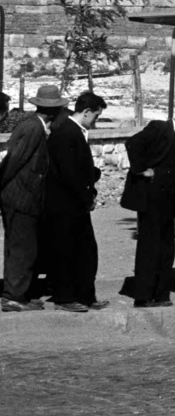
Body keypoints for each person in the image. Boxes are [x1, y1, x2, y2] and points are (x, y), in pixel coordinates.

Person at [0, 84, 62, 311]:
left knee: (22, 246)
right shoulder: (33, 128)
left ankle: (19, 293)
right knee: (22, 248)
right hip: (20, 198)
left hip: (21, 197)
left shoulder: (34, 126)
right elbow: (13, 161)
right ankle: (13, 296)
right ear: (52, 111)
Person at [44, 91, 106, 311]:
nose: (96, 122)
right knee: (67, 252)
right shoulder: (67, 133)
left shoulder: (72, 131)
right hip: (66, 205)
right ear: (87, 112)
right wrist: (86, 196)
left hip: (73, 203)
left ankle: (84, 295)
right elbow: (69, 172)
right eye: (96, 117)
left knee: (84, 251)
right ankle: (66, 298)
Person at [122, 112, 175, 308]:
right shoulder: (160, 127)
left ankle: (160, 294)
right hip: (151, 197)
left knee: (165, 247)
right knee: (150, 245)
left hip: (167, 199)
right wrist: (141, 170)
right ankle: (144, 295)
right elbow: (133, 143)